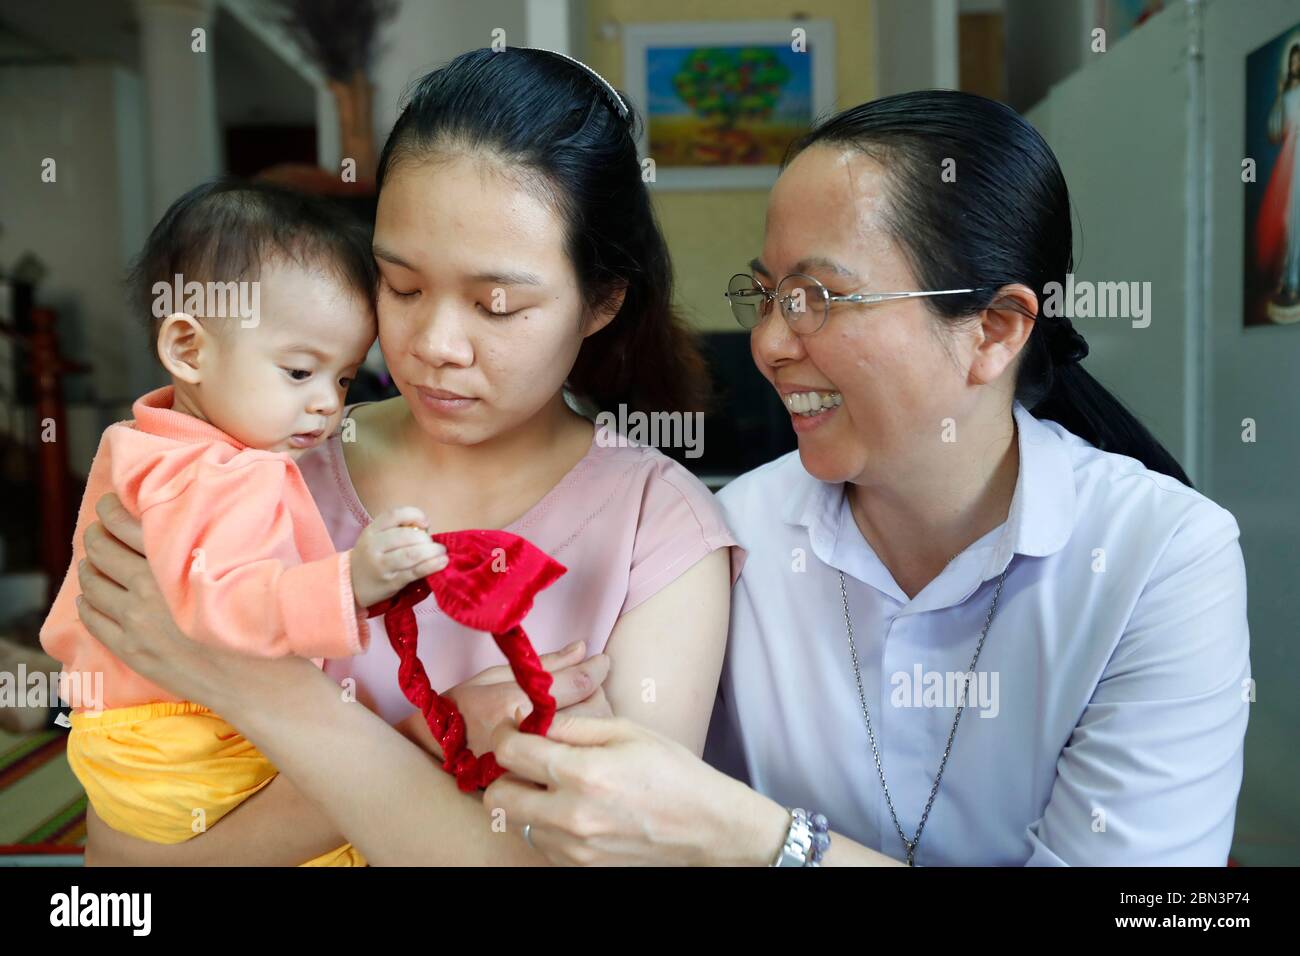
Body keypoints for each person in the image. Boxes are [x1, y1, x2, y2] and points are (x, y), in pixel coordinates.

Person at [477, 90, 1250, 866]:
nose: (771, 342)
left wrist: (754, 838)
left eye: (819, 299)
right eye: (770, 295)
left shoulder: (1162, 558)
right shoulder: (725, 534)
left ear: (994, 330)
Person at [75, 48, 739, 866]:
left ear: (601, 301)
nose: (433, 346)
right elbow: (124, 867)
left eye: (497, 305)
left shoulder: (660, 531)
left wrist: (283, 699)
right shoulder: (255, 471)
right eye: (402, 287)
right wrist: (434, 742)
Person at [40, 179, 437, 866]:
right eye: (298, 370)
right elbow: (220, 607)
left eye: (342, 379)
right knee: (358, 818)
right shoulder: (221, 472)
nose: (324, 404)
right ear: (189, 351)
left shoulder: (150, 442)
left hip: (126, 740)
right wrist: (352, 580)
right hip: (182, 742)